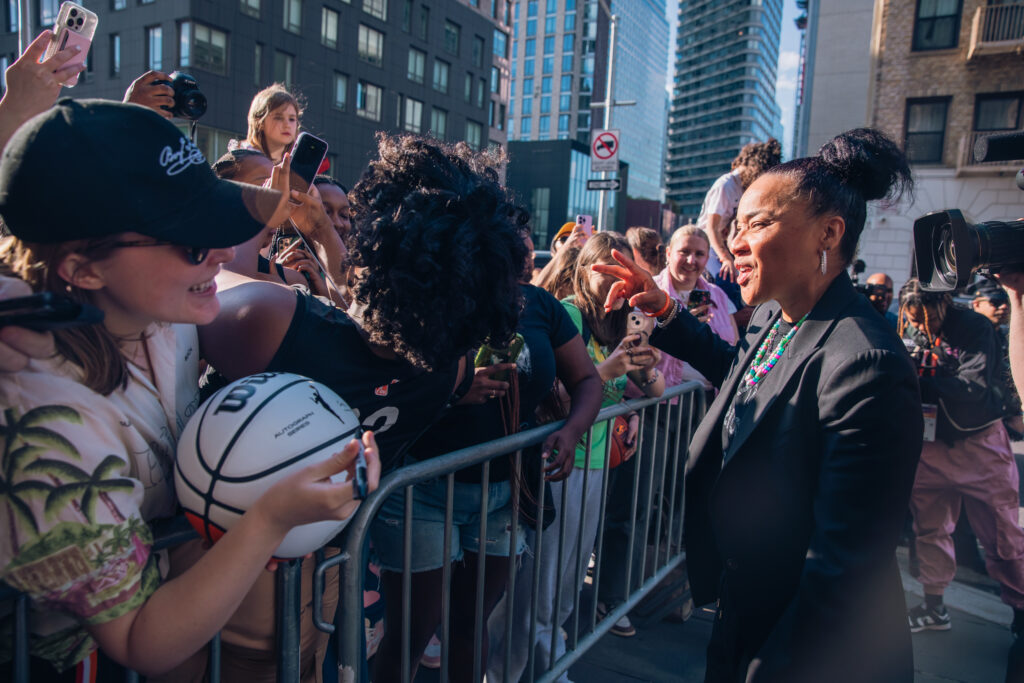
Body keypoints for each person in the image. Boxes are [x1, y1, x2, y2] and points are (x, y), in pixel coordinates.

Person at [0, 99, 381, 681]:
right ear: (83, 269)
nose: (225, 255)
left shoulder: (161, 306)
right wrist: (270, 518)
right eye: (195, 243)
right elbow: (139, 639)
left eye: (217, 223)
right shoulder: (47, 423)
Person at [170, 134, 531, 681]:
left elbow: (210, 276)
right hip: (318, 576)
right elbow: (380, 324)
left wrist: (266, 209)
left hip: (213, 570)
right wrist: (319, 230)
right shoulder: (447, 372)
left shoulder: (273, 320)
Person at [594, 128, 922, 682]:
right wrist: (667, 314)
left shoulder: (868, 363)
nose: (733, 244)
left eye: (757, 224)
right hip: (745, 608)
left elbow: (842, 570)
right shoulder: (776, 316)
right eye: (735, 225)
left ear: (828, 233)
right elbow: (746, 378)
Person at [370, 230, 603, 683]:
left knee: (470, 627)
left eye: (521, 247)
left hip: (504, 493)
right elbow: (385, 383)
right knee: (410, 635)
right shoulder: (433, 296)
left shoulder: (539, 305)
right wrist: (454, 392)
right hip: (424, 490)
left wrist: (572, 432)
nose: (518, 256)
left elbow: (587, 381)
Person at [490, 231, 664, 683]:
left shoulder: (621, 321)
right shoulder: (567, 313)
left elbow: (658, 392)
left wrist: (643, 367)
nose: (619, 282)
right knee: (537, 585)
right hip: (557, 464)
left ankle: (552, 664)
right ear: (587, 271)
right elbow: (553, 399)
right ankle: (506, 671)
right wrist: (608, 370)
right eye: (609, 271)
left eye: (626, 271)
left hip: (595, 465)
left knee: (566, 584)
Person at [595, 224, 740, 637]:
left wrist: (703, 327)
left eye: (699, 254)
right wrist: (673, 327)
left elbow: (730, 356)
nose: (692, 261)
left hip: (698, 410)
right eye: (684, 252)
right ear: (668, 253)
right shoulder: (645, 290)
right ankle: (613, 596)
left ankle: (662, 586)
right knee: (635, 504)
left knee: (679, 503)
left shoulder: (717, 298)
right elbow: (631, 352)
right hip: (653, 408)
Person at [897, 279, 1024, 641]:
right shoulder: (911, 326)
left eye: (926, 318)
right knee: (930, 530)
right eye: (914, 321)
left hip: (978, 444)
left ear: (944, 305)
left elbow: (975, 385)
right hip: (931, 445)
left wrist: (919, 379)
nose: (921, 326)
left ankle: (1021, 608)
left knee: (1002, 535)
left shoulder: (975, 327)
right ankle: (933, 605)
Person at [695, 138, 781, 305]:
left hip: (725, 246)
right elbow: (711, 228)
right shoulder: (726, 184)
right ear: (756, 167)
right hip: (709, 246)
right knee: (724, 284)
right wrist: (726, 258)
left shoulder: (745, 188)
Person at [236, 84, 302, 164]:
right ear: (259, 122)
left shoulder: (298, 164)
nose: (287, 125)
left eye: (292, 119)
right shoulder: (242, 159)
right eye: (278, 118)